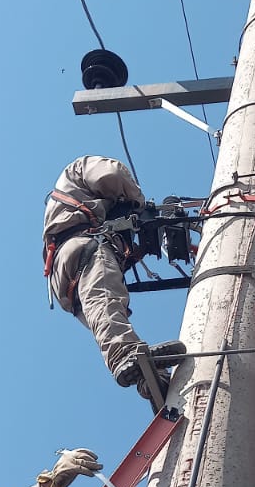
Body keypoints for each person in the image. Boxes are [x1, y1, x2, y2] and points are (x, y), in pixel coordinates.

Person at [42, 156, 185, 404]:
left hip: (64, 280)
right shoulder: (79, 168)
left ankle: (150, 380)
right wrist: (137, 202)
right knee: (106, 301)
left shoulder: (65, 207)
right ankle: (125, 355)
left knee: (106, 312)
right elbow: (110, 174)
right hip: (82, 247)